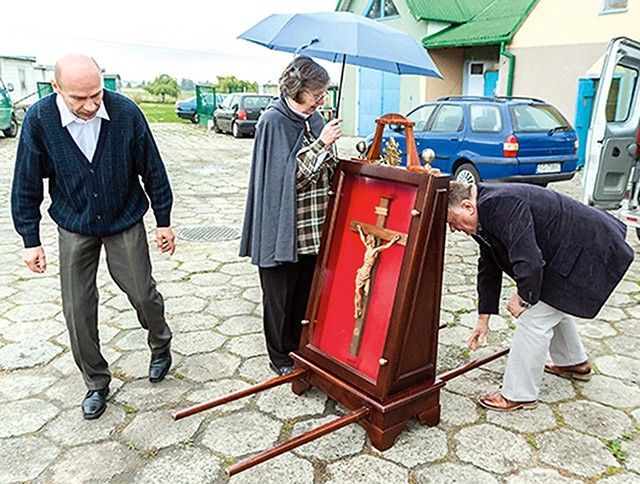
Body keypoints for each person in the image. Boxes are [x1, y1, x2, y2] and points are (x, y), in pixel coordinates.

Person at [11, 54, 175, 420]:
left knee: (142, 292)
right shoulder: (39, 120)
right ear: (57, 88)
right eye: (78, 98)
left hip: (124, 218)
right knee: (77, 309)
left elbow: (153, 168)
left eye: (96, 95)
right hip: (74, 224)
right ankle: (96, 382)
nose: (89, 105)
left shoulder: (126, 112)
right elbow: (25, 183)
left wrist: (163, 219)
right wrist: (29, 239)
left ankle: (161, 343)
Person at [447, 181, 633, 411]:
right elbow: (489, 264)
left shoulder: (498, 203)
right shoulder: (482, 211)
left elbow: (530, 262)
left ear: (467, 206)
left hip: (591, 248)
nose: (453, 229)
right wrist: (483, 318)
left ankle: (518, 394)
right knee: (553, 301)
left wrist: (524, 296)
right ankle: (573, 362)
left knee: (534, 317)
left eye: (451, 221)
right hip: (568, 249)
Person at [239, 56, 342, 376]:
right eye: (316, 94)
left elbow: (325, 170)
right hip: (284, 228)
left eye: (324, 94)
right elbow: (288, 179)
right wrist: (322, 144)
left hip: (313, 230)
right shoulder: (273, 121)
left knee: (305, 296)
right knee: (280, 300)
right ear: (296, 89)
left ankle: (301, 348)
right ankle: (280, 357)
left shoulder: (315, 119)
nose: (320, 101)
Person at [354, 225, 399, 318]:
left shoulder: (374, 251)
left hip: (366, 272)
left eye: (368, 239)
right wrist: (359, 230)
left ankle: (358, 309)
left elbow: (385, 246)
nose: (366, 240)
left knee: (359, 292)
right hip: (362, 271)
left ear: (371, 241)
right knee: (357, 292)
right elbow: (362, 238)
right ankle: (357, 309)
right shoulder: (367, 248)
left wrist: (393, 240)